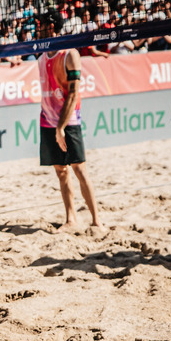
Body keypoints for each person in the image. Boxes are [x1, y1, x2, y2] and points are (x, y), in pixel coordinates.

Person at [37, 15, 102, 232]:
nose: (39, 27)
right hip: (47, 120)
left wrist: (61, 128)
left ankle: (96, 221)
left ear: (52, 26)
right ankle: (71, 219)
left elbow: (73, 94)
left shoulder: (70, 55)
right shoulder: (41, 53)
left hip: (68, 122)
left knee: (79, 169)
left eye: (42, 24)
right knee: (61, 171)